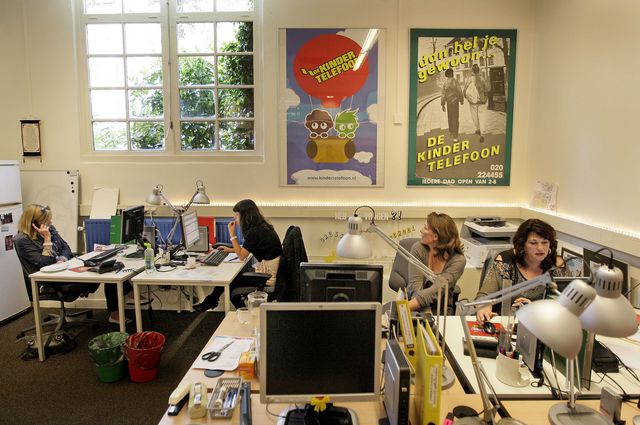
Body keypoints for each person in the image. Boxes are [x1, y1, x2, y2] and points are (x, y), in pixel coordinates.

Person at [14, 204, 133, 324]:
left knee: (107, 267)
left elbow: (66, 248)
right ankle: (127, 298)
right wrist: (47, 241)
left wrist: (62, 259)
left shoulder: (50, 228)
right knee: (106, 274)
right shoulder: (23, 240)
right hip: (50, 278)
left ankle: (125, 300)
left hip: (65, 269)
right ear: (33, 223)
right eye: (46, 221)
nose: (50, 222)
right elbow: (45, 263)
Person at [193, 199, 283, 311]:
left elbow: (241, 256)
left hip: (268, 276)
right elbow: (246, 250)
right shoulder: (262, 226)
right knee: (231, 277)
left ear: (244, 216)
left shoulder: (254, 232)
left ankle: (243, 312)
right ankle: (210, 301)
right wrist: (230, 250)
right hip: (271, 270)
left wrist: (232, 234)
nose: (235, 217)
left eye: (237, 214)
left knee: (230, 284)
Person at [475, 219, 568, 322]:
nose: (540, 248)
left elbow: (566, 305)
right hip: (505, 322)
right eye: (533, 243)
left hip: (540, 324)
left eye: (544, 242)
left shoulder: (557, 266)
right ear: (522, 245)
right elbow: (484, 296)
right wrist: (484, 309)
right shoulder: (506, 261)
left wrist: (533, 309)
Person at [407, 212, 466, 313]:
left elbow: (437, 289)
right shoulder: (418, 249)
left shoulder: (458, 261)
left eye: (425, 228)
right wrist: (426, 311)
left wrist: (404, 308)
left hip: (441, 310)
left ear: (435, 237)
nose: (421, 230)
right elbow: (415, 287)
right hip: (415, 305)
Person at [463, 63, 490, 143]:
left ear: (472, 71)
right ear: (479, 70)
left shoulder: (469, 79)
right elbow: (487, 90)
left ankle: (477, 129)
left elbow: (464, 91)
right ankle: (482, 133)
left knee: (474, 116)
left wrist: (468, 98)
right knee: (482, 116)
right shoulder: (482, 79)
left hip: (473, 102)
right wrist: (485, 98)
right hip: (481, 101)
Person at [440, 68, 464, 142]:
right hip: (455, 103)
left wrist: (443, 104)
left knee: (450, 117)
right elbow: (459, 91)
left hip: (449, 103)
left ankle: (451, 131)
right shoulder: (455, 81)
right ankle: (455, 137)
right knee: (455, 119)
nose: (453, 74)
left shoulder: (445, 83)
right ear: (451, 74)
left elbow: (443, 94)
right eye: (452, 73)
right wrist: (461, 100)